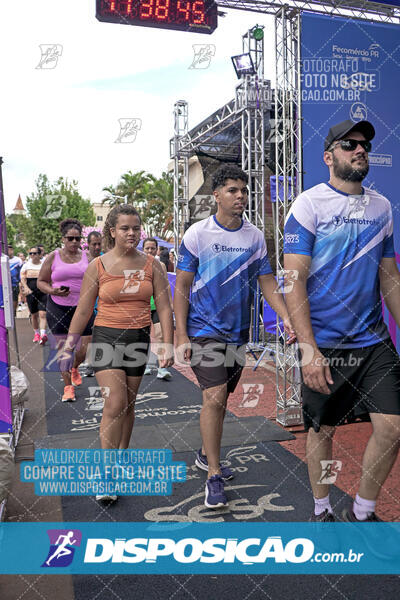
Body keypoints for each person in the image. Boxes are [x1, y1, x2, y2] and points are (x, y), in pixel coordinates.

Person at [284, 119, 400, 523]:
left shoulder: (382, 207)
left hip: (372, 342)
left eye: (364, 144)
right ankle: (321, 508)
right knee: (323, 431)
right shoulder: (309, 204)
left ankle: (363, 511)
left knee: (392, 427)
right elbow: (292, 281)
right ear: (328, 156)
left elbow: (389, 278)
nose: (360, 149)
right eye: (349, 144)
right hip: (325, 342)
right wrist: (308, 349)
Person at [174, 164, 295, 509]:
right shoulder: (198, 234)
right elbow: (181, 286)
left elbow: (268, 282)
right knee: (213, 397)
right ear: (216, 195)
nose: (240, 196)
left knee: (223, 397)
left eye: (243, 190)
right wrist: (181, 334)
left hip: (238, 333)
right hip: (203, 331)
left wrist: (285, 315)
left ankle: (203, 453)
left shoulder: (255, 236)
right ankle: (213, 473)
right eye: (232, 190)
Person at [63, 205, 174, 503]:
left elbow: (164, 307)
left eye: (136, 228)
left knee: (129, 405)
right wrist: (70, 345)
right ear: (112, 231)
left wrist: (168, 345)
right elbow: (84, 309)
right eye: (125, 228)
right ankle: (106, 473)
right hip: (106, 338)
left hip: (138, 339)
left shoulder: (153, 264)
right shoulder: (97, 265)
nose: (132, 233)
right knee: (115, 402)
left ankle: (121, 457)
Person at [37, 218, 95, 402]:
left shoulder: (87, 257)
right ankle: (68, 387)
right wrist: (53, 290)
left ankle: (75, 367)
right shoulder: (53, 257)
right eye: (70, 239)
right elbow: (41, 281)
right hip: (58, 306)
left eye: (78, 239)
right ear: (63, 239)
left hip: (83, 307)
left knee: (83, 350)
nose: (74, 242)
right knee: (64, 349)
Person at [142, 237, 173, 380]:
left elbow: (166, 285)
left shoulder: (161, 265)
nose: (150, 250)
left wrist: (170, 303)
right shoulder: (138, 265)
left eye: (152, 248)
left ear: (157, 250)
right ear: (143, 249)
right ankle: (146, 364)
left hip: (158, 305)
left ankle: (162, 367)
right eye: (147, 248)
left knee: (160, 334)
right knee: (143, 335)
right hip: (142, 304)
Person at [20, 246, 48, 344]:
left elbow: (48, 278)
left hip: (42, 292)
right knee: (34, 315)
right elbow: (23, 279)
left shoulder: (44, 265)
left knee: (43, 314)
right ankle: (36, 333)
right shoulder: (26, 265)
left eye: (34, 253)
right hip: (31, 292)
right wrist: (26, 288)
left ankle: (43, 334)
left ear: (40, 255)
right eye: (30, 253)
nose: (32, 255)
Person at [7, 245, 22, 316]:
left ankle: (13, 312)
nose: (9, 251)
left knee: (14, 298)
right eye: (7, 249)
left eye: (10, 249)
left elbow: (21, 271)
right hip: (4, 283)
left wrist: (20, 281)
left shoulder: (18, 260)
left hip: (14, 283)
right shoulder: (2, 258)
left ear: (12, 250)